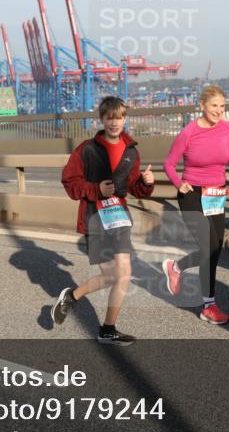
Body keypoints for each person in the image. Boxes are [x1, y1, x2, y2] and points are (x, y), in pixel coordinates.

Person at [53, 96, 155, 345]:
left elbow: (133, 187)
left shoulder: (131, 151)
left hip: (119, 217)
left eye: (119, 117)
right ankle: (72, 296)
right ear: (101, 119)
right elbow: (70, 183)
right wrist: (97, 189)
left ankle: (108, 329)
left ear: (125, 119)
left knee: (125, 274)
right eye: (109, 117)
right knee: (111, 276)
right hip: (95, 217)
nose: (114, 122)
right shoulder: (86, 150)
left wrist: (145, 183)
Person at [161, 85, 229, 325]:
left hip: (215, 194)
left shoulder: (227, 129)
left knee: (215, 249)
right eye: (214, 105)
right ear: (202, 106)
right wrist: (178, 183)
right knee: (208, 245)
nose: (219, 110)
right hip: (192, 194)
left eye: (222, 106)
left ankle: (176, 267)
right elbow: (168, 164)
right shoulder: (189, 132)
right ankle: (209, 306)